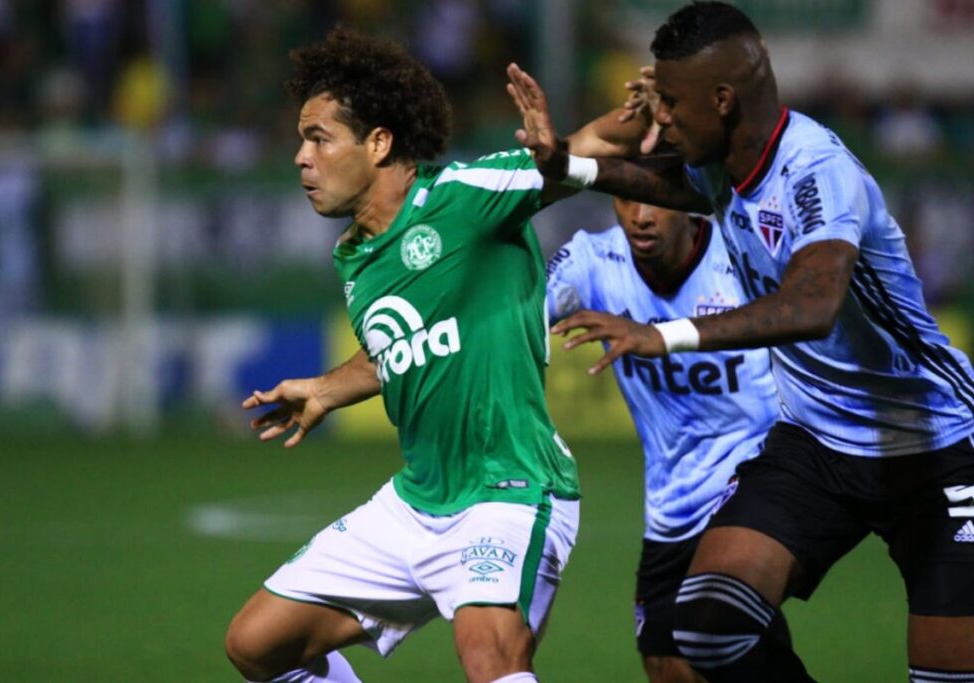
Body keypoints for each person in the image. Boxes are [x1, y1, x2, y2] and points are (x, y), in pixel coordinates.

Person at [507, 2, 974, 682]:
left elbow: (813, 303)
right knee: (707, 620)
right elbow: (654, 183)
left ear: (722, 100)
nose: (657, 116)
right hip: (817, 444)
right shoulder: (722, 165)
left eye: (668, 101)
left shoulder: (816, 171)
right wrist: (564, 164)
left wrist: (664, 335)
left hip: (932, 443)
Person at [223, 28, 582, 683]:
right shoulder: (357, 255)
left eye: (319, 137)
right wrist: (329, 388)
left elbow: (589, 151)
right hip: (417, 500)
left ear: (379, 142)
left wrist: (573, 148)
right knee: (256, 644)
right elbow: (404, 342)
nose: (301, 157)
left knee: (490, 657)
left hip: (508, 488)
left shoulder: (465, 197)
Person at [545, 197, 783, 683]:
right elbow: (521, 312)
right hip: (672, 498)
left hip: (758, 475)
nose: (640, 216)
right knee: (664, 657)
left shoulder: (742, 256)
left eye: (655, 201)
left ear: (687, 201)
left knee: (726, 615)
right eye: (626, 199)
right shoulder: (594, 260)